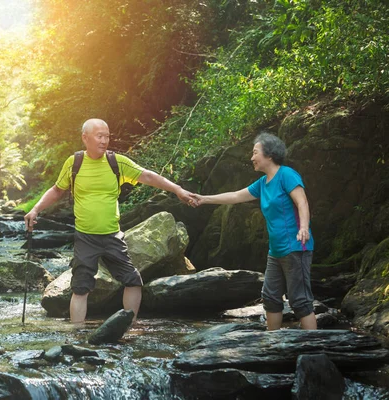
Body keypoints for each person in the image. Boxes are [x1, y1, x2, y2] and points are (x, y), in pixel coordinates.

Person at [24, 118, 195, 323]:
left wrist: (177, 189)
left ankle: (127, 327)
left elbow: (147, 176)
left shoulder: (117, 162)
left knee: (133, 280)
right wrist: (35, 209)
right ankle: (76, 335)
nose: (104, 140)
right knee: (80, 287)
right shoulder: (74, 163)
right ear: (85, 138)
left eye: (107, 136)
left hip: (113, 236)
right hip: (85, 237)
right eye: (99, 136)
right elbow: (57, 190)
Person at [188, 132, 317, 331]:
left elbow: (302, 202)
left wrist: (303, 227)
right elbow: (235, 196)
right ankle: (271, 343)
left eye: (255, 152)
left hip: (296, 247)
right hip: (276, 251)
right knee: (271, 297)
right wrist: (204, 198)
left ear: (269, 155)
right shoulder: (262, 183)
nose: (251, 157)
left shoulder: (287, 174)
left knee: (300, 300)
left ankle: (316, 347)